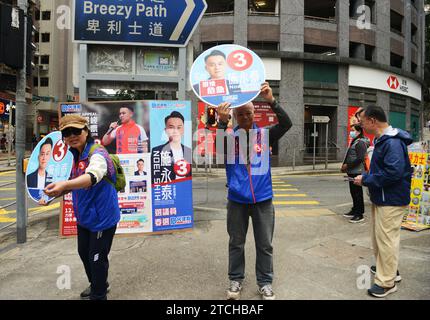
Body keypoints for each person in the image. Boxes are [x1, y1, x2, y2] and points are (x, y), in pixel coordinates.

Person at [216, 82, 292, 300]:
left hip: (263, 200)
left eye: (248, 113)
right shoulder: (229, 139)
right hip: (237, 200)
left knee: (265, 244)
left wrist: (272, 101)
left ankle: (265, 282)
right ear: (235, 117)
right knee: (236, 243)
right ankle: (235, 280)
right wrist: (222, 123)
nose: (245, 117)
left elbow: (287, 124)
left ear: (254, 113)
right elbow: (218, 150)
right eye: (240, 114)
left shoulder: (266, 135)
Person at [44, 114, 120, 300]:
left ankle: (99, 294)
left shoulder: (98, 153)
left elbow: (93, 175)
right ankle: (97, 284)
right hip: (85, 217)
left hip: (102, 218)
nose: (72, 135)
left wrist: (65, 186)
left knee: (96, 258)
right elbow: (69, 183)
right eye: (67, 132)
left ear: (86, 131)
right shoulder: (71, 157)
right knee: (84, 253)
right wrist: (53, 194)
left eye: (76, 131)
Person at [353, 106, 413, 298]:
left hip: (392, 199)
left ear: (372, 121)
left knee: (386, 240)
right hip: (384, 197)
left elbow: (393, 173)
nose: (360, 125)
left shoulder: (392, 142)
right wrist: (367, 177)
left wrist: (366, 180)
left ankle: (386, 282)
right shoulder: (383, 140)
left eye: (362, 121)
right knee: (380, 240)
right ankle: (389, 270)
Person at [151, 111, 192, 183]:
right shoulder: (157, 151)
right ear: (166, 130)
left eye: (179, 127)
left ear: (183, 130)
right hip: (167, 190)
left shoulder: (188, 151)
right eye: (171, 127)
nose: (175, 131)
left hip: (184, 190)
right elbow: (154, 177)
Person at [341, 124, 370, 223]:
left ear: (359, 131)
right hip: (351, 171)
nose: (351, 132)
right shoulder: (355, 141)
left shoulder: (360, 143)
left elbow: (360, 158)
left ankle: (359, 214)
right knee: (353, 192)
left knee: (357, 193)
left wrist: (347, 166)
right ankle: (354, 210)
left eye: (353, 130)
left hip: (356, 172)